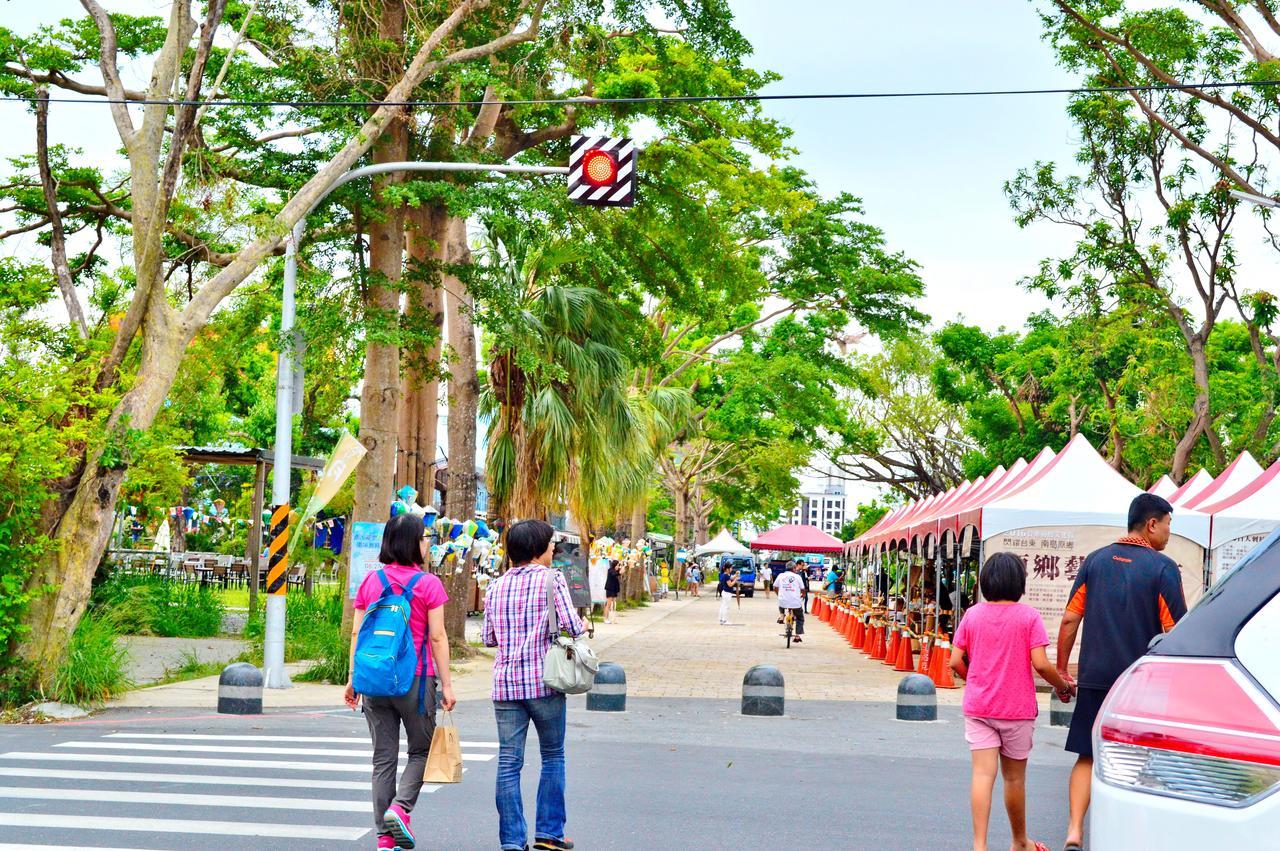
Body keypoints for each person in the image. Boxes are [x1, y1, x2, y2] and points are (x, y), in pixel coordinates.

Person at [1056, 493, 1187, 851]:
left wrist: (1063, 669)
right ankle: (1129, 836)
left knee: (1088, 753)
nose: (1169, 534)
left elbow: (1070, 618)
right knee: (1139, 757)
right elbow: (1174, 632)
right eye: (1168, 525)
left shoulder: (1095, 562)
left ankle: (1073, 832)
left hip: (1096, 675)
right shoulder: (1162, 569)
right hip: (1141, 683)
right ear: (1151, 524)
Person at [345, 513, 456, 851]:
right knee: (421, 751)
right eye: (424, 538)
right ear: (412, 543)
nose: (427, 543)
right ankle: (400, 809)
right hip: (416, 680)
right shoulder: (428, 584)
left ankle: (383, 836)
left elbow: (357, 632)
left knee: (383, 759)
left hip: (375, 681)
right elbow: (437, 637)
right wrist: (447, 685)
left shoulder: (371, 582)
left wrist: (353, 679)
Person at [950, 552, 1075, 851]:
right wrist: (1064, 687)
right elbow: (1042, 665)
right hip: (1016, 710)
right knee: (1014, 780)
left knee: (982, 774)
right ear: (1019, 582)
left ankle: (979, 846)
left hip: (979, 707)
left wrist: (976, 679)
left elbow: (955, 660)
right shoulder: (1029, 616)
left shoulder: (973, 615)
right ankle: (1020, 842)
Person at [483, 519, 586, 851]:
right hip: (544, 683)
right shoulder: (552, 579)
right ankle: (548, 834)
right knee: (553, 755)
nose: (554, 548)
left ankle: (512, 842)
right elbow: (572, 625)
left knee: (509, 763)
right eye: (551, 543)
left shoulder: (496, 586)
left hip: (506, 686)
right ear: (538, 549)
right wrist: (581, 623)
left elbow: (488, 638)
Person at [774, 562, 806, 642]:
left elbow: (775, 587)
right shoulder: (797, 577)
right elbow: (803, 589)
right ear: (794, 569)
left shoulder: (781, 576)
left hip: (783, 601)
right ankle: (797, 636)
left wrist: (779, 594)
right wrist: (803, 595)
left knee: (781, 602)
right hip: (795, 602)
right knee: (800, 618)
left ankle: (782, 615)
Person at [603, 559, 621, 623]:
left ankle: (613, 618)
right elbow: (614, 574)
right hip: (610, 589)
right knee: (608, 604)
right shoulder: (610, 570)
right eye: (618, 565)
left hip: (614, 589)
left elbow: (618, 574)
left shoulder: (616, 571)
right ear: (615, 565)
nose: (619, 566)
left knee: (613, 604)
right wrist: (619, 572)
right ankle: (605, 618)